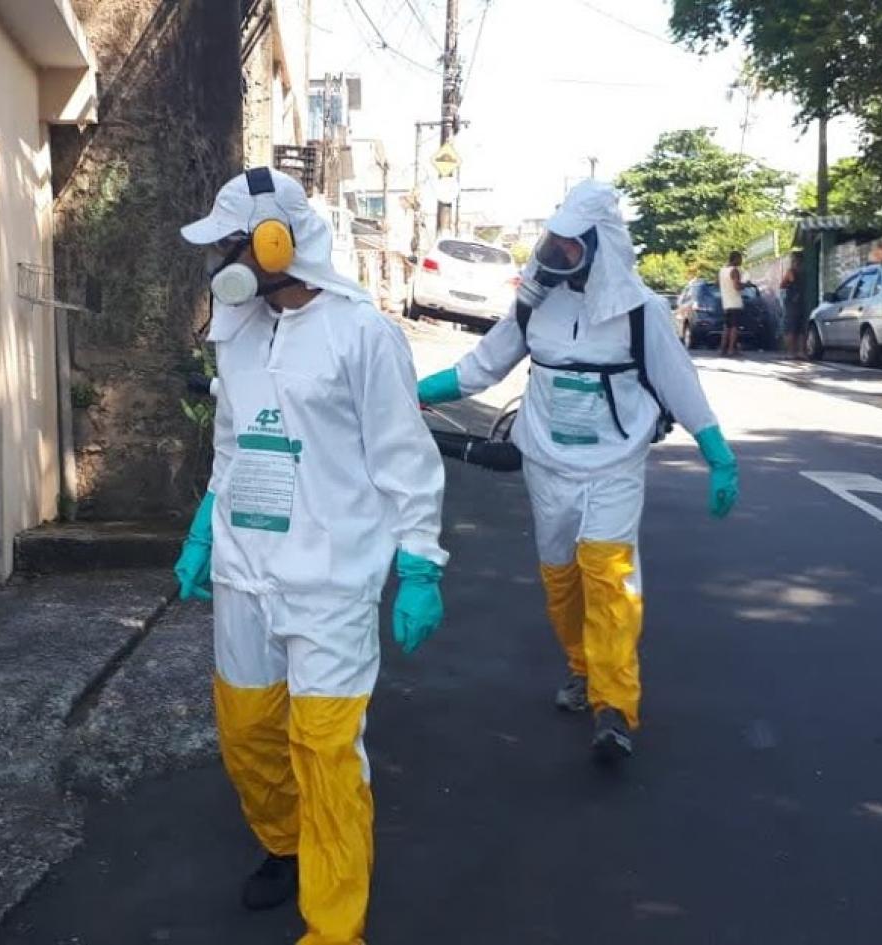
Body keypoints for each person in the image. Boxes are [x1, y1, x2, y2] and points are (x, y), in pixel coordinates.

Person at [174, 167, 449, 945]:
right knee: (247, 732)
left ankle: (334, 927)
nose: (218, 258)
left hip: (330, 579)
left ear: (274, 241)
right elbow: (231, 446)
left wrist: (420, 564)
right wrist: (203, 530)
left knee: (326, 750)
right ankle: (286, 844)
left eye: (229, 243)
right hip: (244, 569)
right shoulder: (240, 331)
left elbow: (406, 458)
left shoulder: (362, 333)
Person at [417, 180, 739, 763]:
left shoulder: (641, 311)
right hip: (546, 460)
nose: (555, 254)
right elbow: (483, 365)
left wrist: (717, 453)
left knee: (608, 573)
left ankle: (614, 705)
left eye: (568, 246)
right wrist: (416, 392)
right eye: (553, 243)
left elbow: (678, 382)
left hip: (614, 461)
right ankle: (582, 668)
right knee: (560, 575)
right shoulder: (534, 304)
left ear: (599, 245)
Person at [780, 249, 808, 358]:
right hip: (801, 302)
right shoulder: (804, 271)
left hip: (792, 302)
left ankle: (791, 352)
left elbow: (782, 284)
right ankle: (802, 351)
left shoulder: (791, 271)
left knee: (791, 328)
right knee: (801, 329)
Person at [719, 250, 746, 356]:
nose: (741, 261)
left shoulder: (722, 270)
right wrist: (745, 285)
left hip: (726, 302)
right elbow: (736, 286)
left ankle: (722, 348)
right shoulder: (734, 271)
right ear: (735, 259)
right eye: (740, 259)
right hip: (735, 302)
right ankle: (731, 349)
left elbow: (717, 283)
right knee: (734, 327)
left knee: (726, 326)